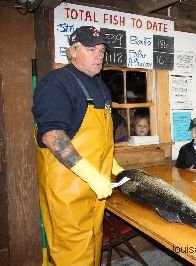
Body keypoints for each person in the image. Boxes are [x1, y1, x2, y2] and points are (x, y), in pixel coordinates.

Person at [32, 26, 125, 265]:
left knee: (93, 247)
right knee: (71, 255)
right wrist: (91, 176)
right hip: (68, 193)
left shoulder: (100, 87)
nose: (99, 55)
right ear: (73, 51)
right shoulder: (57, 83)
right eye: (91, 49)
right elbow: (52, 136)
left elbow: (100, 139)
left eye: (102, 50)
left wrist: (113, 166)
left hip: (95, 190)